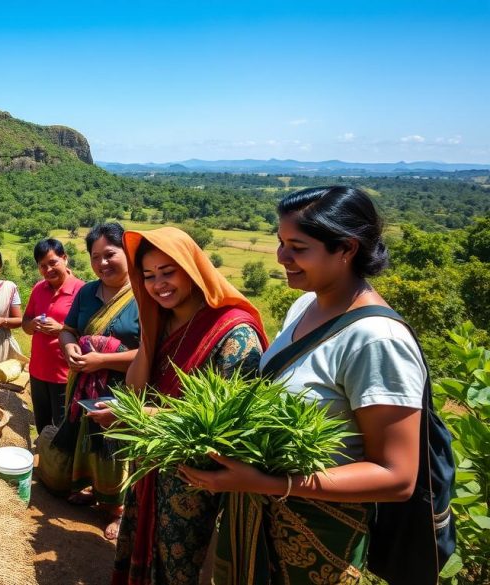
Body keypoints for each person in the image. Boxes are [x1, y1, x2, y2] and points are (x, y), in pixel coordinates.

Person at [179, 187, 426, 585]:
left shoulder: (376, 340)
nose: (281, 256)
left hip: (317, 537)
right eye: (280, 242)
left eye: (297, 246)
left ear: (345, 248)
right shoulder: (304, 306)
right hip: (258, 519)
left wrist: (272, 484)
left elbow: (397, 476)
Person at [87, 227, 267, 585]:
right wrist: (150, 334)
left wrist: (145, 417)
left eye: (168, 272)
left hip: (199, 481)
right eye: (149, 277)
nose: (158, 285)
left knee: (183, 567)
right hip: (152, 465)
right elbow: (137, 392)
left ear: (192, 268)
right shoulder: (162, 320)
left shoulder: (233, 334)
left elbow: (231, 425)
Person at [51, 222, 140, 540]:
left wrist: (102, 361)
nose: (102, 263)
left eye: (110, 254)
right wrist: (69, 347)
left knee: (116, 448)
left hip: (123, 389)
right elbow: (68, 329)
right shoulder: (87, 292)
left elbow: (151, 352)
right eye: (95, 256)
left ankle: (118, 508)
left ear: (127, 253)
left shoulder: (144, 295)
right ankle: (93, 490)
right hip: (83, 385)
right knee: (85, 440)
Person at [21, 238, 83, 432]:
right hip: (38, 372)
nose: (48, 270)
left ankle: (61, 463)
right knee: (43, 427)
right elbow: (25, 324)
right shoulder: (38, 289)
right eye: (42, 266)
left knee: (64, 430)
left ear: (64, 258)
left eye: (53, 262)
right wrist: (32, 324)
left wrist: (62, 329)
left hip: (65, 375)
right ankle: (43, 461)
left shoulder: (82, 290)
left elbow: (91, 334)